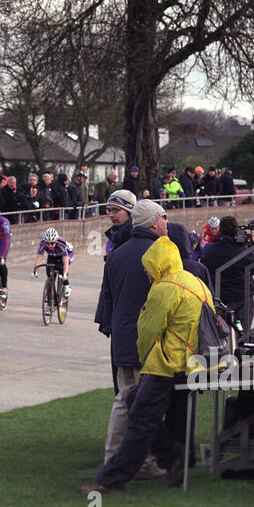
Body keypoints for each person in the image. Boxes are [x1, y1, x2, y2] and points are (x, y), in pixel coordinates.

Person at [84, 228, 213, 492]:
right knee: (134, 402)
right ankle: (173, 455)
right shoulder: (195, 282)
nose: (146, 272)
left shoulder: (163, 288)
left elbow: (147, 333)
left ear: (157, 264)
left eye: (148, 267)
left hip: (166, 364)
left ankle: (111, 479)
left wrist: (146, 362)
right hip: (192, 363)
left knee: (140, 423)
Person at [93, 198, 173, 478]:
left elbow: (109, 300)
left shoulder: (116, 254)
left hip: (125, 340)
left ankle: (127, 459)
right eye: (164, 217)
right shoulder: (161, 252)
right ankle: (133, 461)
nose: (167, 222)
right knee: (141, 404)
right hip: (149, 342)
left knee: (128, 400)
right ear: (153, 221)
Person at [198, 216, 254, 337]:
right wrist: (253, 246)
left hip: (219, 298)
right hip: (242, 297)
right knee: (242, 333)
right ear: (235, 231)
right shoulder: (242, 251)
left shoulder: (209, 250)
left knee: (222, 334)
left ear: (220, 230)